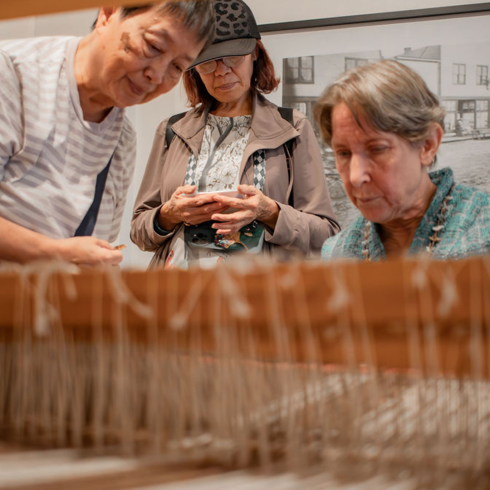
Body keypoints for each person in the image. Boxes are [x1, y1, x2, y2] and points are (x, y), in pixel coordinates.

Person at [0, 1, 214, 267]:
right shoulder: (12, 76)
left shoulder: (123, 138)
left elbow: (96, 246)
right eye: (153, 46)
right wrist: (56, 253)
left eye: (177, 67)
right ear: (109, 13)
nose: (157, 75)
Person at [131, 0, 339, 269]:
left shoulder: (292, 128)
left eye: (233, 58)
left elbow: (326, 234)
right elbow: (139, 230)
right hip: (176, 297)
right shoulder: (172, 130)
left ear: (254, 53)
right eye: (207, 63)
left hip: (256, 297)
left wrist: (269, 212)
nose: (221, 72)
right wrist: (169, 214)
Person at [315, 59, 490, 261]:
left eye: (377, 149)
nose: (355, 177)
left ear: (427, 145)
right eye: (343, 153)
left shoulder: (481, 232)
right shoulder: (336, 253)